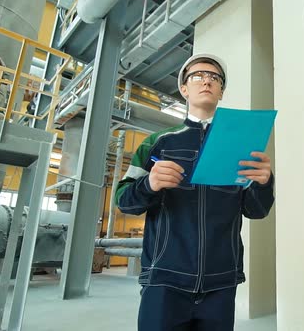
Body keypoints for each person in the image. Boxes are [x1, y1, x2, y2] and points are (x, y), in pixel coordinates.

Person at [115, 53, 275, 331]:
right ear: (184, 89)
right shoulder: (157, 144)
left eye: (215, 78)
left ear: (221, 91)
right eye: (198, 76)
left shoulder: (241, 146)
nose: (207, 81)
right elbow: (124, 202)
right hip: (165, 279)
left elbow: (255, 211)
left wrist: (264, 182)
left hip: (221, 282)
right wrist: (148, 184)